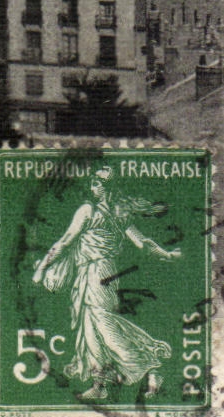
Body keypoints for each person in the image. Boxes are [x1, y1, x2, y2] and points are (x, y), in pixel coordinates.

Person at [32, 167, 181, 400]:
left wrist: (41, 268)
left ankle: (150, 367)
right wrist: (168, 255)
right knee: (91, 328)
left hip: (95, 272)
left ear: (104, 187)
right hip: (104, 273)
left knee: (102, 324)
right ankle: (101, 385)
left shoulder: (87, 210)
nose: (92, 186)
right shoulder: (120, 213)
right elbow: (143, 243)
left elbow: (65, 242)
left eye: (95, 183)